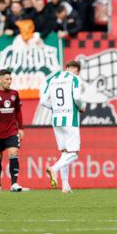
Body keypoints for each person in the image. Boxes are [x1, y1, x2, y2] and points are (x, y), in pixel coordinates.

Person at [40, 61, 85, 194]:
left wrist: (54, 108)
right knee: (74, 153)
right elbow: (77, 97)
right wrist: (81, 107)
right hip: (70, 119)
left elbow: (43, 101)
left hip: (56, 119)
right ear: (76, 71)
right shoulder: (75, 79)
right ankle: (54, 168)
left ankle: (65, 186)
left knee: (65, 152)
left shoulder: (52, 79)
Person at [0, 69, 26, 193]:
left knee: (14, 153)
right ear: (0, 79)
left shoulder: (14, 93)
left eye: (10, 79)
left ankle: (14, 183)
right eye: (7, 79)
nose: (9, 81)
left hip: (12, 131)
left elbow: (18, 111)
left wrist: (21, 128)